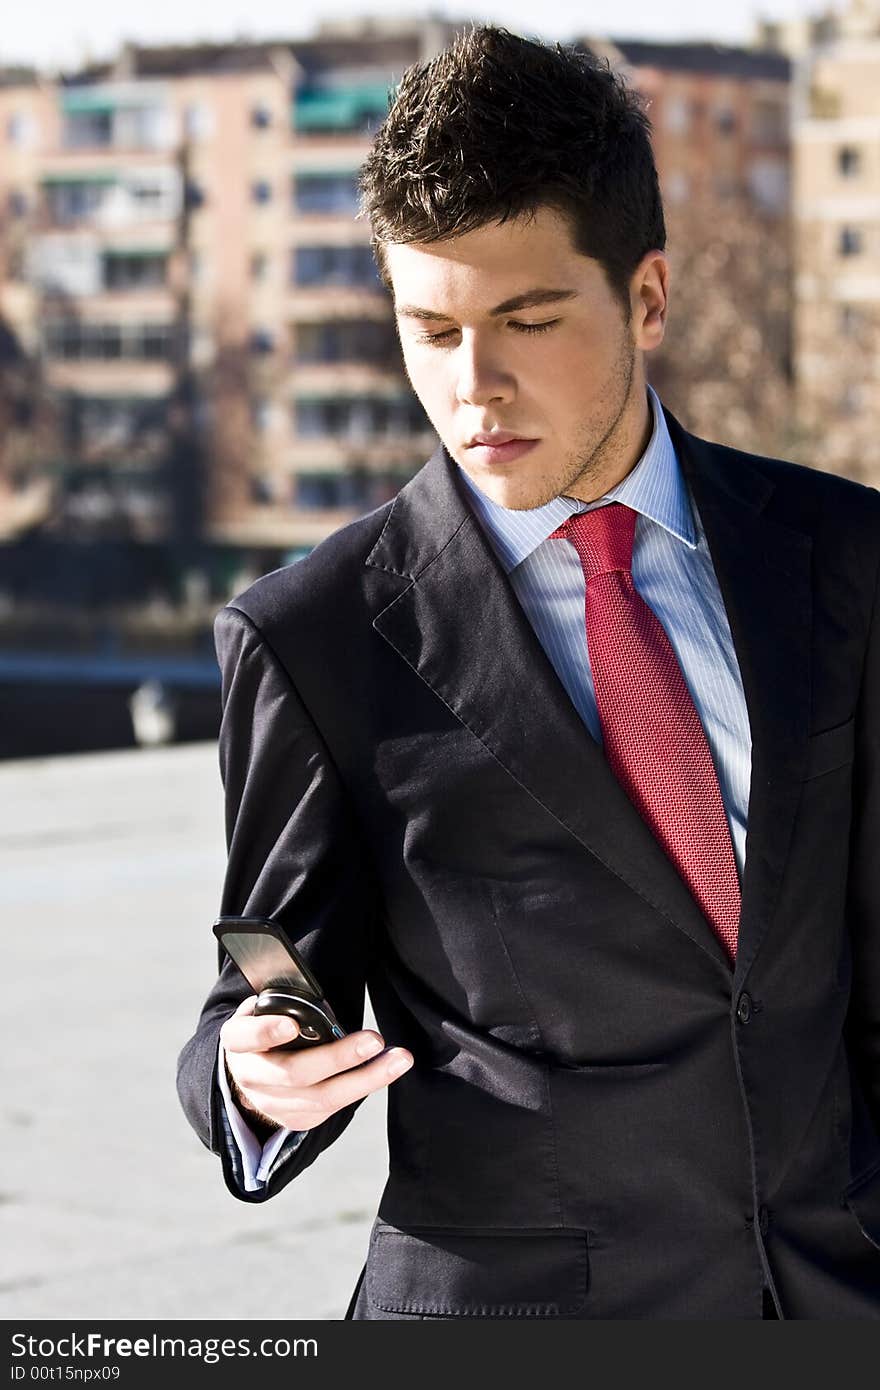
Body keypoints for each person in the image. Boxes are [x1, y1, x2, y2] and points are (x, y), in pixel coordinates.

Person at [177, 25, 880, 1319]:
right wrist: (251, 1069)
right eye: (427, 328)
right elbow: (266, 985)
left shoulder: (848, 558)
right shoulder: (317, 638)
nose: (472, 385)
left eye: (526, 320)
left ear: (649, 298)